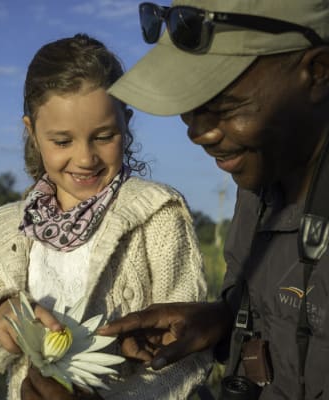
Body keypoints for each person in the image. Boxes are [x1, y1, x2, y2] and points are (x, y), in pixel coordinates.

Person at [0, 34, 211, 400]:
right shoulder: (8, 228)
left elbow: (189, 359)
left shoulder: (159, 215)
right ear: (32, 133)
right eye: (62, 141)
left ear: (126, 123)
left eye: (104, 136)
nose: (85, 158)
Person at [96, 0, 329, 399]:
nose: (199, 133)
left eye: (224, 107)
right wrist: (222, 320)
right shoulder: (260, 183)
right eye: (189, 109)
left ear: (319, 72)